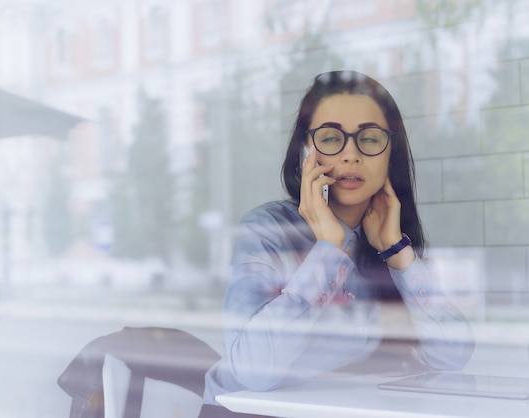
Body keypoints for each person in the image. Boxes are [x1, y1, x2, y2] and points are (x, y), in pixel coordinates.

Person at [199, 70, 474, 417]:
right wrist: (328, 250)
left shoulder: (383, 237)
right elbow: (254, 372)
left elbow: (453, 354)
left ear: (391, 154)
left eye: (370, 139)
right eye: (331, 138)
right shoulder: (266, 229)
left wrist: (396, 252)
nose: (350, 155)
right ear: (305, 152)